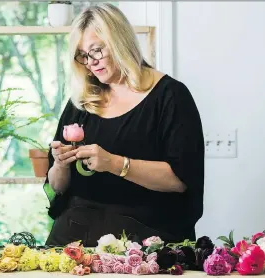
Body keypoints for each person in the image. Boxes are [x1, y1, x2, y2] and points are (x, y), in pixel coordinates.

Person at [44, 3, 204, 247]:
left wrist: (114, 163)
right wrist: (60, 164)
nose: (91, 63)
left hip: (145, 242)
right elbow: (57, 185)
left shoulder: (170, 96)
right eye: (84, 55)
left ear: (120, 41)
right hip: (73, 236)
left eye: (97, 50)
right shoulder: (82, 101)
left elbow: (180, 179)